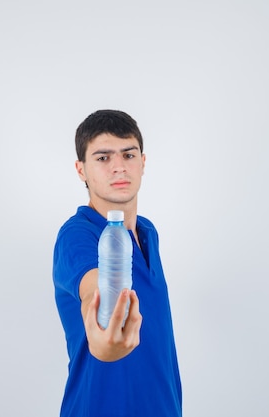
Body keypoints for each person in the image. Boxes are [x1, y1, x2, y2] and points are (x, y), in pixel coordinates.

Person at [52, 110, 182, 417]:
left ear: (143, 162)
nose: (119, 167)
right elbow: (93, 290)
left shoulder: (147, 232)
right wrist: (103, 339)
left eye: (128, 154)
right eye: (103, 158)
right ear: (80, 169)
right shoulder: (77, 235)